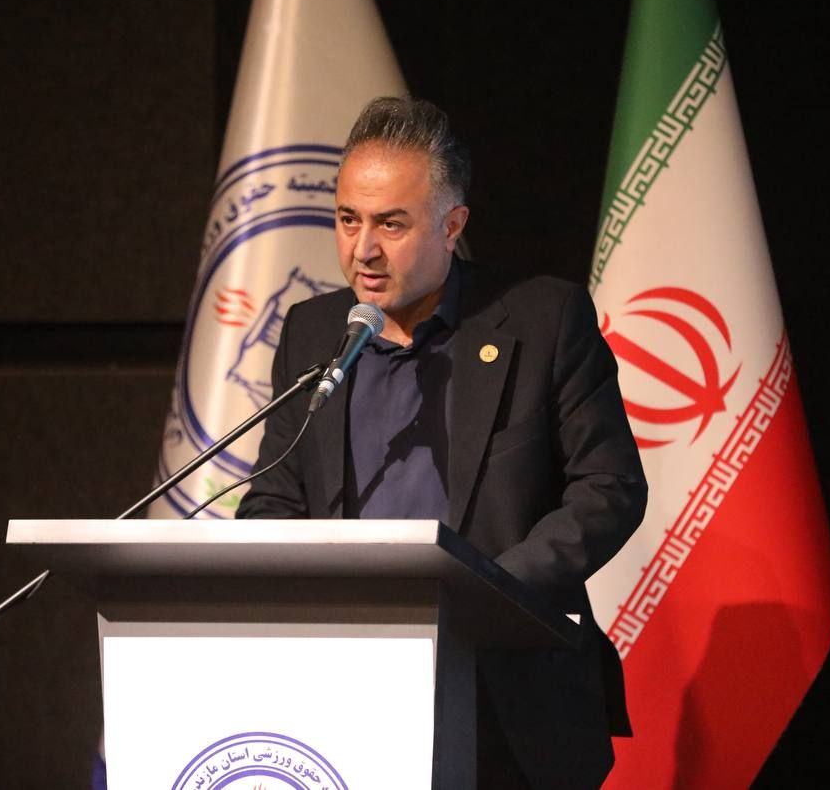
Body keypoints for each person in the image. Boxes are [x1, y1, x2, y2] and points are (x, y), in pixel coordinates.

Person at [236, 95, 647, 789]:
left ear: (452, 225)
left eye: (391, 224)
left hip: (506, 699)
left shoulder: (542, 320)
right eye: (348, 219)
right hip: (344, 696)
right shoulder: (312, 333)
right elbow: (275, 498)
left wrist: (485, 595)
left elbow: (609, 488)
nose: (362, 249)